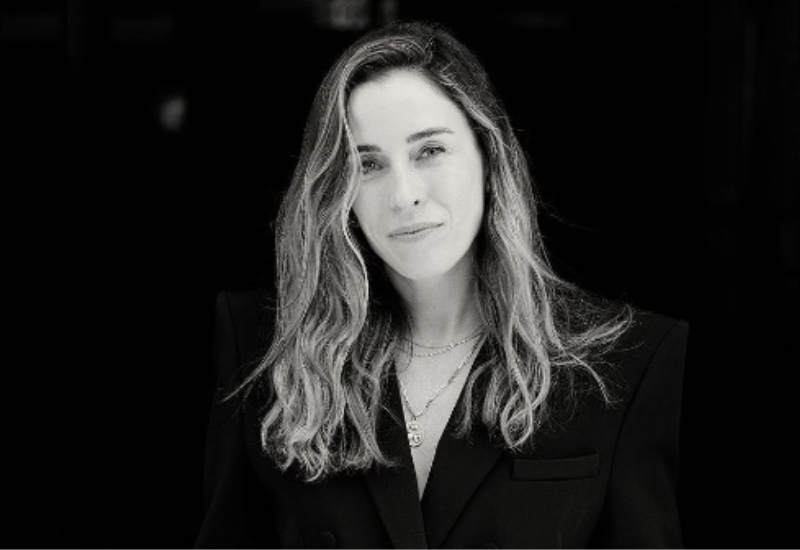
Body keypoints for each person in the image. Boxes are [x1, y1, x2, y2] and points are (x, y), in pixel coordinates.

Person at [196, 20, 687, 549]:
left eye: (430, 150)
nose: (404, 194)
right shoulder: (266, 348)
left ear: (489, 156)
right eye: (368, 163)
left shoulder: (624, 364)